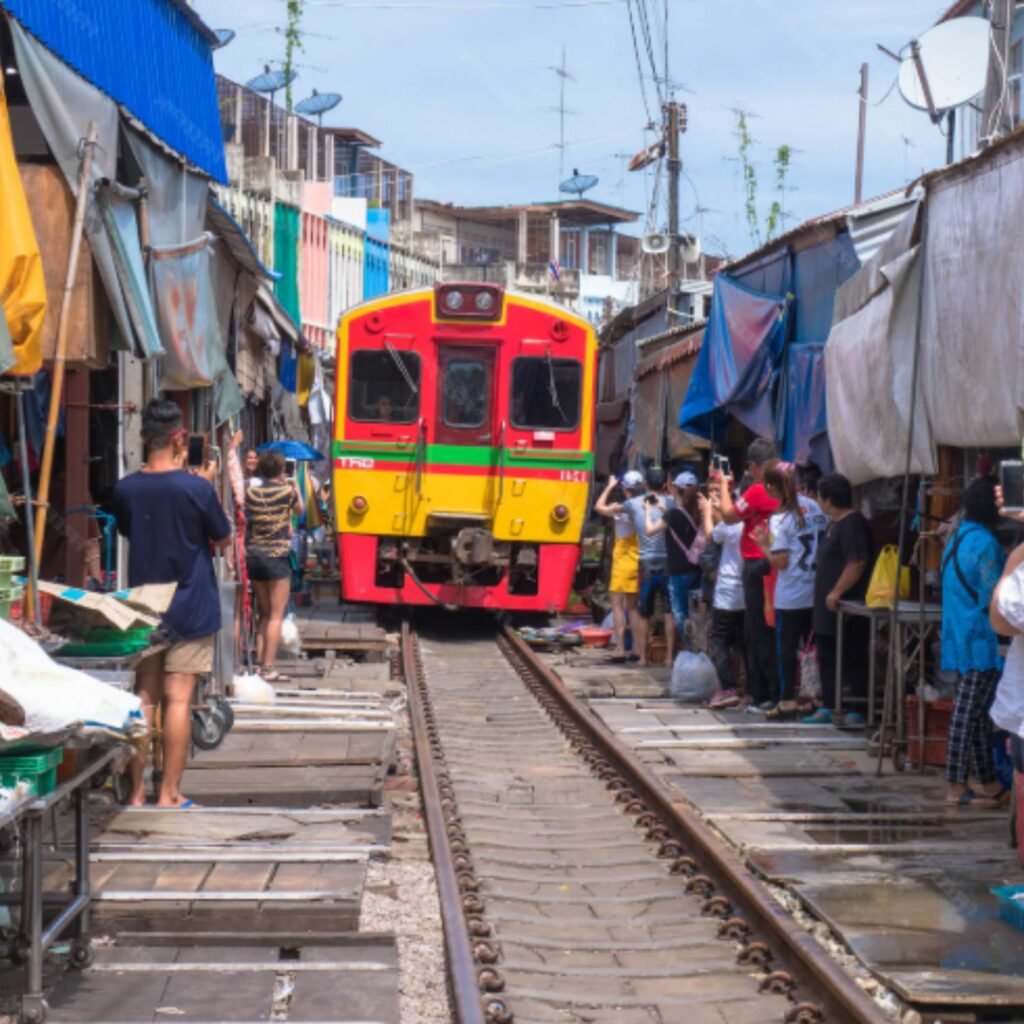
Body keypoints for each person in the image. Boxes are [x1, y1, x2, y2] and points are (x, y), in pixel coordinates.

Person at [111, 400, 231, 808]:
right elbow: (222, 537)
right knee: (179, 699)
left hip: (144, 606)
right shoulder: (196, 488)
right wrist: (205, 482)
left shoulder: (125, 489)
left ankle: (138, 793)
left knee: (144, 697)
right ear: (180, 437)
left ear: (145, 438)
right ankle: (170, 794)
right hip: (191, 603)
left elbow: (130, 531)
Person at [940, 477, 1007, 805]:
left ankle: (987, 781)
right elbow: (997, 598)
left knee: (979, 711)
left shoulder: (957, 536)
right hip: (982, 640)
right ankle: (955, 784)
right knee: (967, 713)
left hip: (958, 637)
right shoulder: (987, 544)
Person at [753, 462, 829, 716]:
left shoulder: (780, 518)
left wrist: (764, 545)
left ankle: (787, 700)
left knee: (786, 647)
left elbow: (780, 561)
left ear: (772, 487)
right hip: (815, 587)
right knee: (811, 646)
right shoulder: (815, 506)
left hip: (791, 592)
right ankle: (814, 696)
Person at [718, 438, 780, 712]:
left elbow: (729, 516)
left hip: (757, 564)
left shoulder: (757, 490)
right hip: (780, 565)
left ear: (754, 467)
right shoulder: (790, 487)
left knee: (758, 631)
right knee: (773, 629)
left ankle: (766, 694)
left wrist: (723, 486)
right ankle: (772, 692)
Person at [808, 472, 874, 725]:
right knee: (827, 654)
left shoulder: (853, 524)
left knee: (852, 655)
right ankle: (829, 704)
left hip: (848, 606)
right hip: (828, 607)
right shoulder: (833, 524)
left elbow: (856, 562)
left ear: (828, 500)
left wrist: (837, 591)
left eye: (820, 497)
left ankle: (856, 708)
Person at [246, 450, 304, 682]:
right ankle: (268, 668)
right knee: (276, 615)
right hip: (277, 556)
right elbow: (299, 511)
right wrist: (295, 487)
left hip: (254, 554)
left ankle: (259, 663)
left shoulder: (252, 491)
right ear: (282, 470)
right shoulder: (287, 491)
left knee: (264, 612)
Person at [622, 467, 676, 667]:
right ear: (665, 484)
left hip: (645, 562)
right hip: (667, 562)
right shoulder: (671, 504)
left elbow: (605, 509)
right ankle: (670, 657)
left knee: (645, 612)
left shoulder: (633, 503)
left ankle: (643, 658)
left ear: (645, 484)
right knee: (669, 611)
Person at [698, 486, 746, 709]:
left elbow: (710, 537)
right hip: (749, 592)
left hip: (728, 593)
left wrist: (708, 511)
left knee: (719, 641)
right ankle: (751, 690)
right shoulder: (755, 522)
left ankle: (727, 689)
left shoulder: (731, 525)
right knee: (746, 643)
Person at [643, 471, 704, 644]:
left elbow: (650, 530)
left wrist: (648, 511)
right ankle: (699, 648)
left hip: (678, 571)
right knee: (697, 613)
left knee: (680, 613)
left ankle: (689, 649)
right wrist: (664, 510)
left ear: (676, 489)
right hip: (697, 569)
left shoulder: (672, 515)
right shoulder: (700, 513)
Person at [594, 472, 643, 661]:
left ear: (625, 488)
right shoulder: (646, 506)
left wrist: (609, 486)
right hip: (638, 562)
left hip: (622, 564)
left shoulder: (621, 508)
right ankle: (639, 649)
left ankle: (621, 648)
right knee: (634, 608)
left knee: (618, 607)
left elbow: (599, 507)